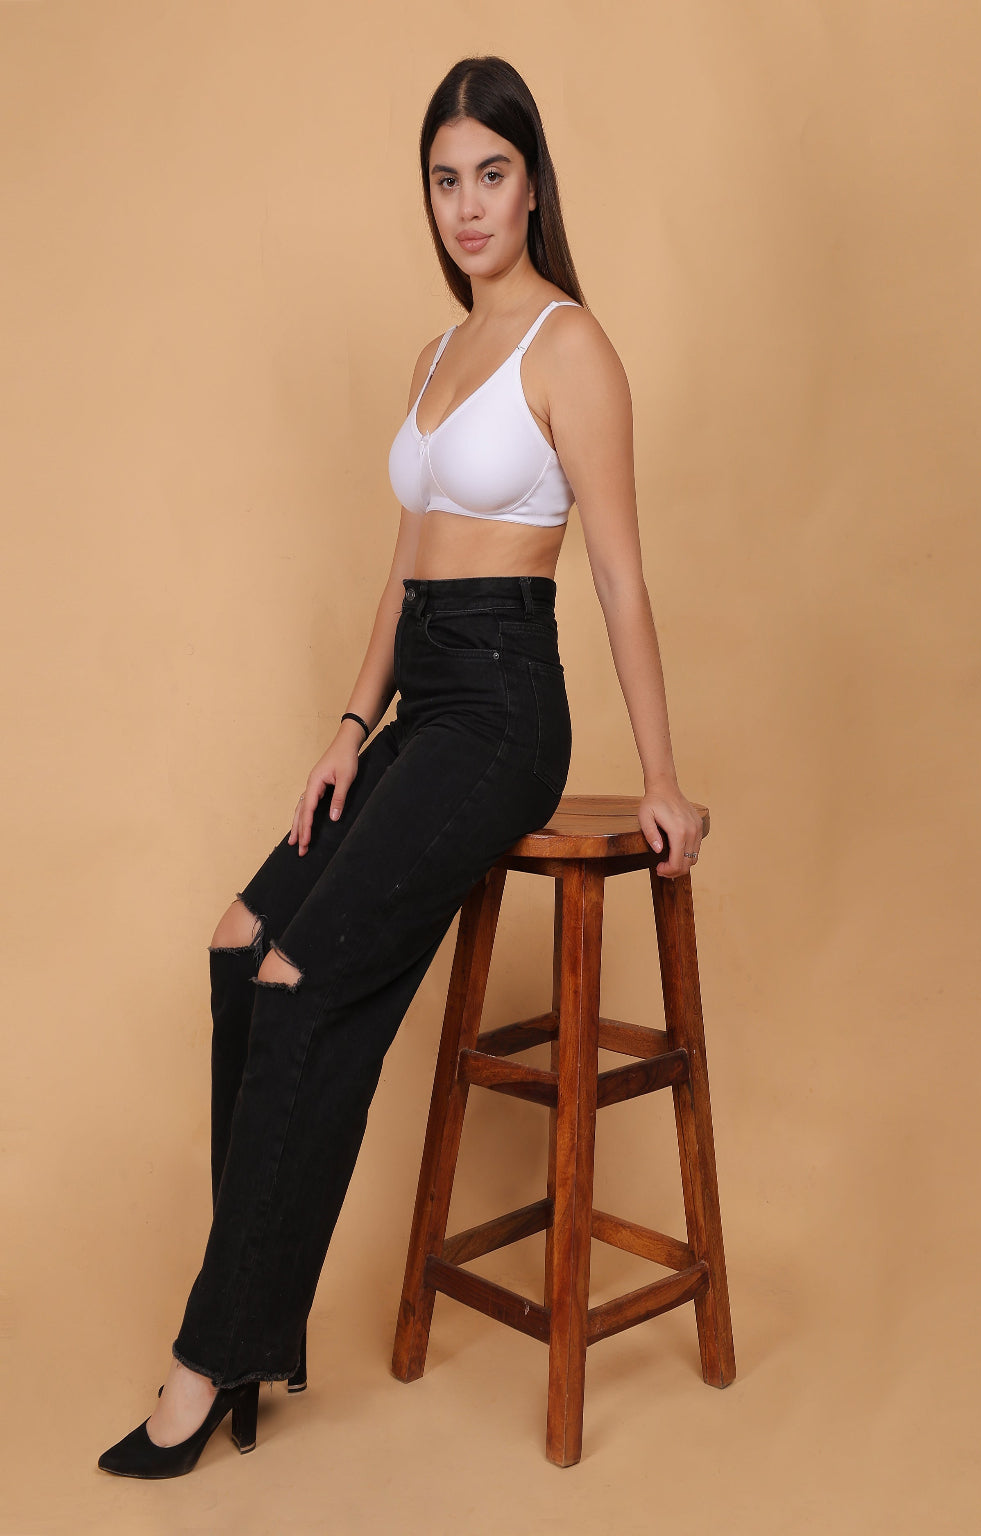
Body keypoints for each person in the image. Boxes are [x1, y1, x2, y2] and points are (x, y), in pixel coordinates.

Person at [97, 53, 704, 1479]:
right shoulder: (436, 359)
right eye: (444, 178)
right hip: (419, 698)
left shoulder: (572, 348)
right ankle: (250, 1328)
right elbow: (405, 556)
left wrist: (665, 778)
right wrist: (346, 725)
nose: (467, 203)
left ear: (534, 182)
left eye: (491, 172)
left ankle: (206, 1361)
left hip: (503, 710)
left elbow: (618, 580)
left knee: (309, 994)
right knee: (242, 950)